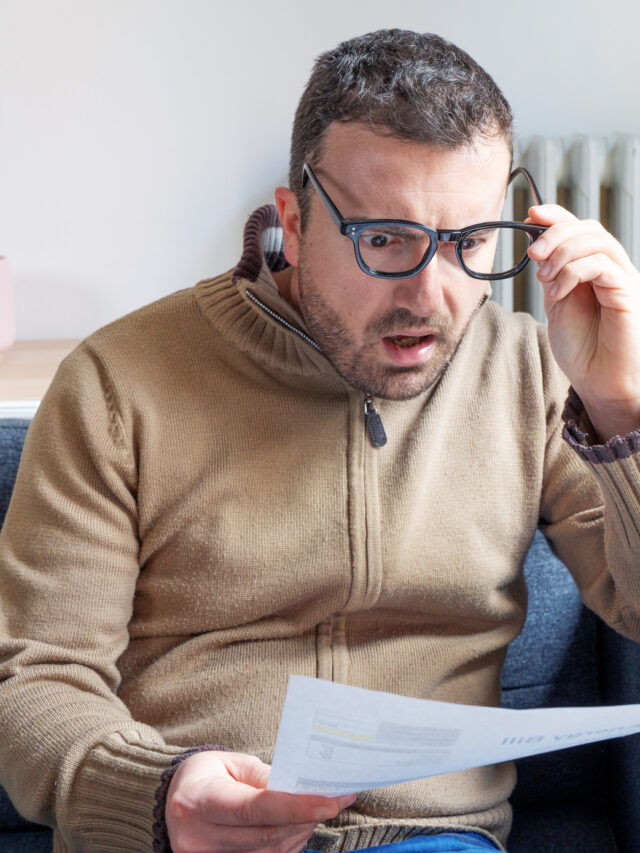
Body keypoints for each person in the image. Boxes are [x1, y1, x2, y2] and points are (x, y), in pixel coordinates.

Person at [1, 28, 640, 853]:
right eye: (384, 240)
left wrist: (622, 407)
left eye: (470, 244)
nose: (431, 294)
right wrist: (159, 798)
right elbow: (34, 676)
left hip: (432, 838)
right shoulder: (116, 385)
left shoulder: (529, 374)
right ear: (295, 224)